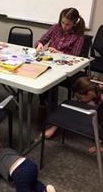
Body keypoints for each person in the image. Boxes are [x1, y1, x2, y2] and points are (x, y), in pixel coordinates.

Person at [36, 7, 86, 137]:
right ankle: (43, 106)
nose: (64, 26)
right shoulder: (55, 28)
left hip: (66, 69)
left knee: (51, 84)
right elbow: (41, 40)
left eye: (68, 24)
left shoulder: (78, 36)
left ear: (75, 23)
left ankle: (54, 121)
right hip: (49, 63)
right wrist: (40, 45)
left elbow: (75, 56)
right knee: (41, 77)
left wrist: (60, 53)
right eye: (62, 22)